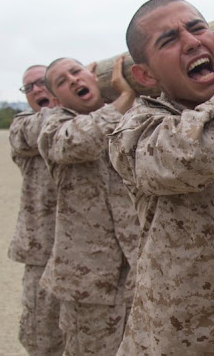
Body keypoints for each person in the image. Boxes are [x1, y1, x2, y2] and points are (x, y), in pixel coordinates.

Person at [108, 0, 214, 355]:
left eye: (198, 28)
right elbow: (192, 155)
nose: (191, 41)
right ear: (145, 75)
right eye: (169, 40)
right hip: (178, 339)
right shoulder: (133, 132)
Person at [37, 57, 140, 355]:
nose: (72, 80)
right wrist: (123, 97)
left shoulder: (134, 114)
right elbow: (80, 142)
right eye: (62, 81)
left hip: (140, 273)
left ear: (93, 76)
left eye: (76, 72)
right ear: (56, 99)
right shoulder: (53, 127)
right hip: (88, 285)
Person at [8, 64, 64, 355]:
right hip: (42, 253)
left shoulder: (92, 120)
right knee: (42, 337)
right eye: (29, 87)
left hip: (95, 256)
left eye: (42, 82)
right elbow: (47, 128)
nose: (36, 90)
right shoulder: (23, 126)